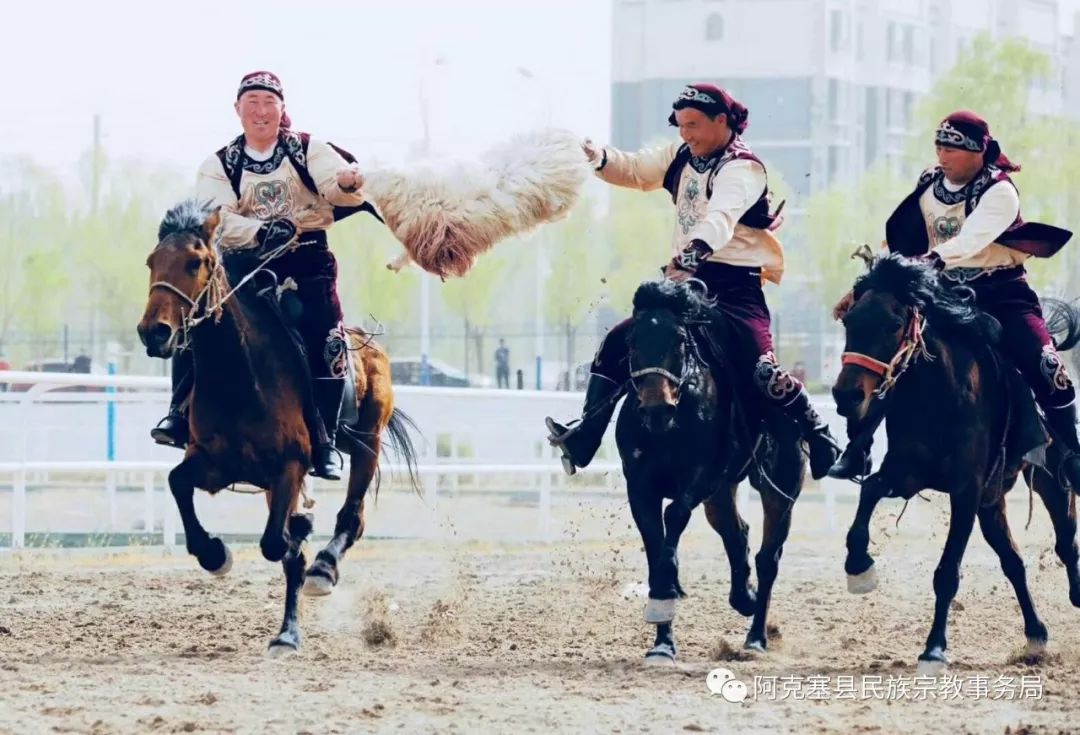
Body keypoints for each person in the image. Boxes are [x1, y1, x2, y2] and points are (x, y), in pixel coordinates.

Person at [545, 83, 840, 479]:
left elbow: (719, 218)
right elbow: (634, 170)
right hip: (684, 284)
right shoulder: (681, 154)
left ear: (722, 121)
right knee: (620, 338)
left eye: (694, 125)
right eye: (681, 125)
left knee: (762, 370)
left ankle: (818, 433)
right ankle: (585, 436)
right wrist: (596, 156)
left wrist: (691, 253)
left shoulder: (743, 167)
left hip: (735, 288)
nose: (686, 134)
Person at [829, 110, 1080, 489]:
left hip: (1002, 294)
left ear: (979, 152)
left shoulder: (999, 190)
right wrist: (865, 287)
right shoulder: (929, 182)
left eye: (953, 148)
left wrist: (931, 261)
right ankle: (859, 446)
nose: (943, 155)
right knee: (886, 348)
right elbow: (902, 242)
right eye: (939, 146)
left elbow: (971, 240)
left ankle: (1071, 454)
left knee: (1048, 368)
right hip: (941, 290)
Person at [150, 70, 370, 480]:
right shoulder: (219, 164)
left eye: (269, 103)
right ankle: (178, 416)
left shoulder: (308, 148)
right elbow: (216, 219)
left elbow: (335, 184)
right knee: (195, 323)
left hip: (307, 261)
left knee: (327, 337)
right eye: (252, 103)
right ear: (238, 110)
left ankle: (324, 440)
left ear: (282, 108)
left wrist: (343, 183)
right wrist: (262, 232)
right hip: (243, 264)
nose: (261, 111)